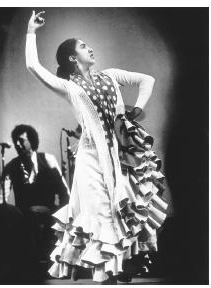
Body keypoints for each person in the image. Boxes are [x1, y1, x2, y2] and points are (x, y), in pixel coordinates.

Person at [25, 10, 168, 284]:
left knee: (119, 213)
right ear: (72, 58)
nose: (89, 48)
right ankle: (106, 276)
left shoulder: (111, 76)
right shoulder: (69, 87)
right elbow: (33, 67)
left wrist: (136, 110)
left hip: (117, 157)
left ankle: (119, 270)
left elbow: (147, 80)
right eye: (82, 46)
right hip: (90, 160)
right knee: (99, 215)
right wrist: (31, 31)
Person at [0, 124, 70, 265]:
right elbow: (1, 195)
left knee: (35, 212)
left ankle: (45, 255)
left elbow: (64, 191)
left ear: (31, 141)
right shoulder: (11, 166)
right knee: (0, 210)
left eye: (21, 140)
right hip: (23, 213)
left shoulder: (48, 159)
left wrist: (64, 216)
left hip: (49, 209)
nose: (18, 144)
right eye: (15, 142)